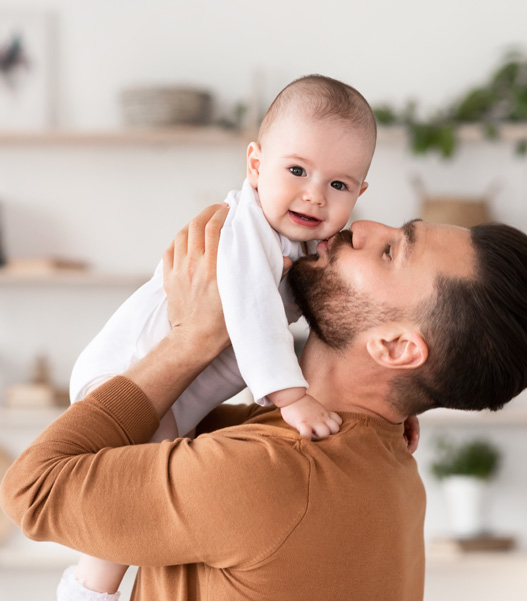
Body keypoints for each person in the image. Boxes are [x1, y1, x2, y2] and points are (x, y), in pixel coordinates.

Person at [0, 205, 527, 601]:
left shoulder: (272, 478)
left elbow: (33, 491)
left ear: (395, 347)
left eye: (391, 251)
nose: (359, 225)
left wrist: (191, 339)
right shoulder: (385, 461)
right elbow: (176, 436)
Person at [61, 74, 375, 599]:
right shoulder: (246, 230)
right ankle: (88, 592)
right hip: (129, 373)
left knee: (146, 492)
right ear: (255, 165)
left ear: (359, 193)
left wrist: (385, 397)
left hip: (178, 395)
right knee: (134, 495)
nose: (314, 195)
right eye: (296, 170)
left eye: (338, 185)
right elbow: (254, 313)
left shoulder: (307, 246)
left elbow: (339, 316)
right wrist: (291, 397)